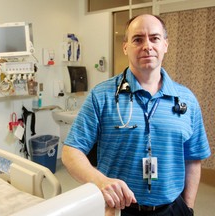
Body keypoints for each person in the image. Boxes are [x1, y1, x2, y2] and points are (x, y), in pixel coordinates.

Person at [62, 14, 211, 216]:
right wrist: (100, 181)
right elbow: (71, 151)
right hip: (119, 210)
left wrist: (188, 207)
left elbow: (193, 158)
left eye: (155, 38)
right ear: (125, 47)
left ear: (165, 44)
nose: (147, 46)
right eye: (138, 39)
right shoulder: (102, 96)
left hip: (173, 209)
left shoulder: (186, 100)